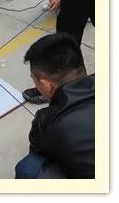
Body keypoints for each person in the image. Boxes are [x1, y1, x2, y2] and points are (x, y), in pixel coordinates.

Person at [16, 33, 94, 178]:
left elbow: (38, 154)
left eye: (34, 80)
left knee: (29, 167)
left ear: (47, 84)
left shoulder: (45, 121)